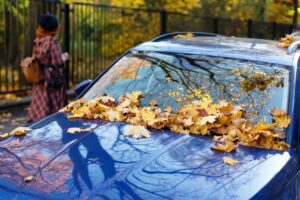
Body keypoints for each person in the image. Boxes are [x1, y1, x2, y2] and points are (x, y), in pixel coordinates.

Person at [27, 13, 69, 123]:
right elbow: (57, 62)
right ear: (54, 28)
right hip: (51, 78)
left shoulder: (37, 41)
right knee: (53, 103)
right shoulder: (52, 41)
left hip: (40, 76)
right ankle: (52, 121)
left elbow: (37, 58)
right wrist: (65, 57)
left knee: (41, 100)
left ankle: (38, 121)